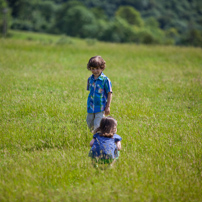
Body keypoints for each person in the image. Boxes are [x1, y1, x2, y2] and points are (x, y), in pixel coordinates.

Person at [86, 56, 112, 131]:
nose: (95, 71)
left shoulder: (105, 80)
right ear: (90, 68)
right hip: (91, 107)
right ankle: (96, 137)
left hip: (101, 107)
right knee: (89, 123)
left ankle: (98, 140)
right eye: (92, 69)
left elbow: (109, 93)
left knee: (97, 126)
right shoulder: (90, 79)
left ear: (102, 67)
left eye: (97, 68)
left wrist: (108, 106)